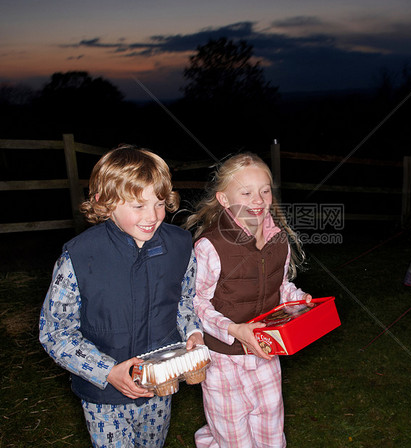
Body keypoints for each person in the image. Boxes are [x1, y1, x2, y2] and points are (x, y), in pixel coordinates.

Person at [39, 145, 204, 448]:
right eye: (137, 206)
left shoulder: (180, 246)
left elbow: (184, 301)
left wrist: (193, 331)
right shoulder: (79, 256)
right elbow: (55, 331)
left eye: (159, 203)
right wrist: (107, 371)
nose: (152, 216)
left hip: (159, 387)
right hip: (104, 396)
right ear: (105, 203)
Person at [184, 152, 312, 447]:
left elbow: (280, 286)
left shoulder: (279, 241)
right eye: (246, 192)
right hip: (223, 362)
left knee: (271, 434)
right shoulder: (210, 247)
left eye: (264, 190)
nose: (258, 199)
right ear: (224, 200)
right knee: (232, 438)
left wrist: (298, 299)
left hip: (266, 354)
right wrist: (234, 330)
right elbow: (197, 303)